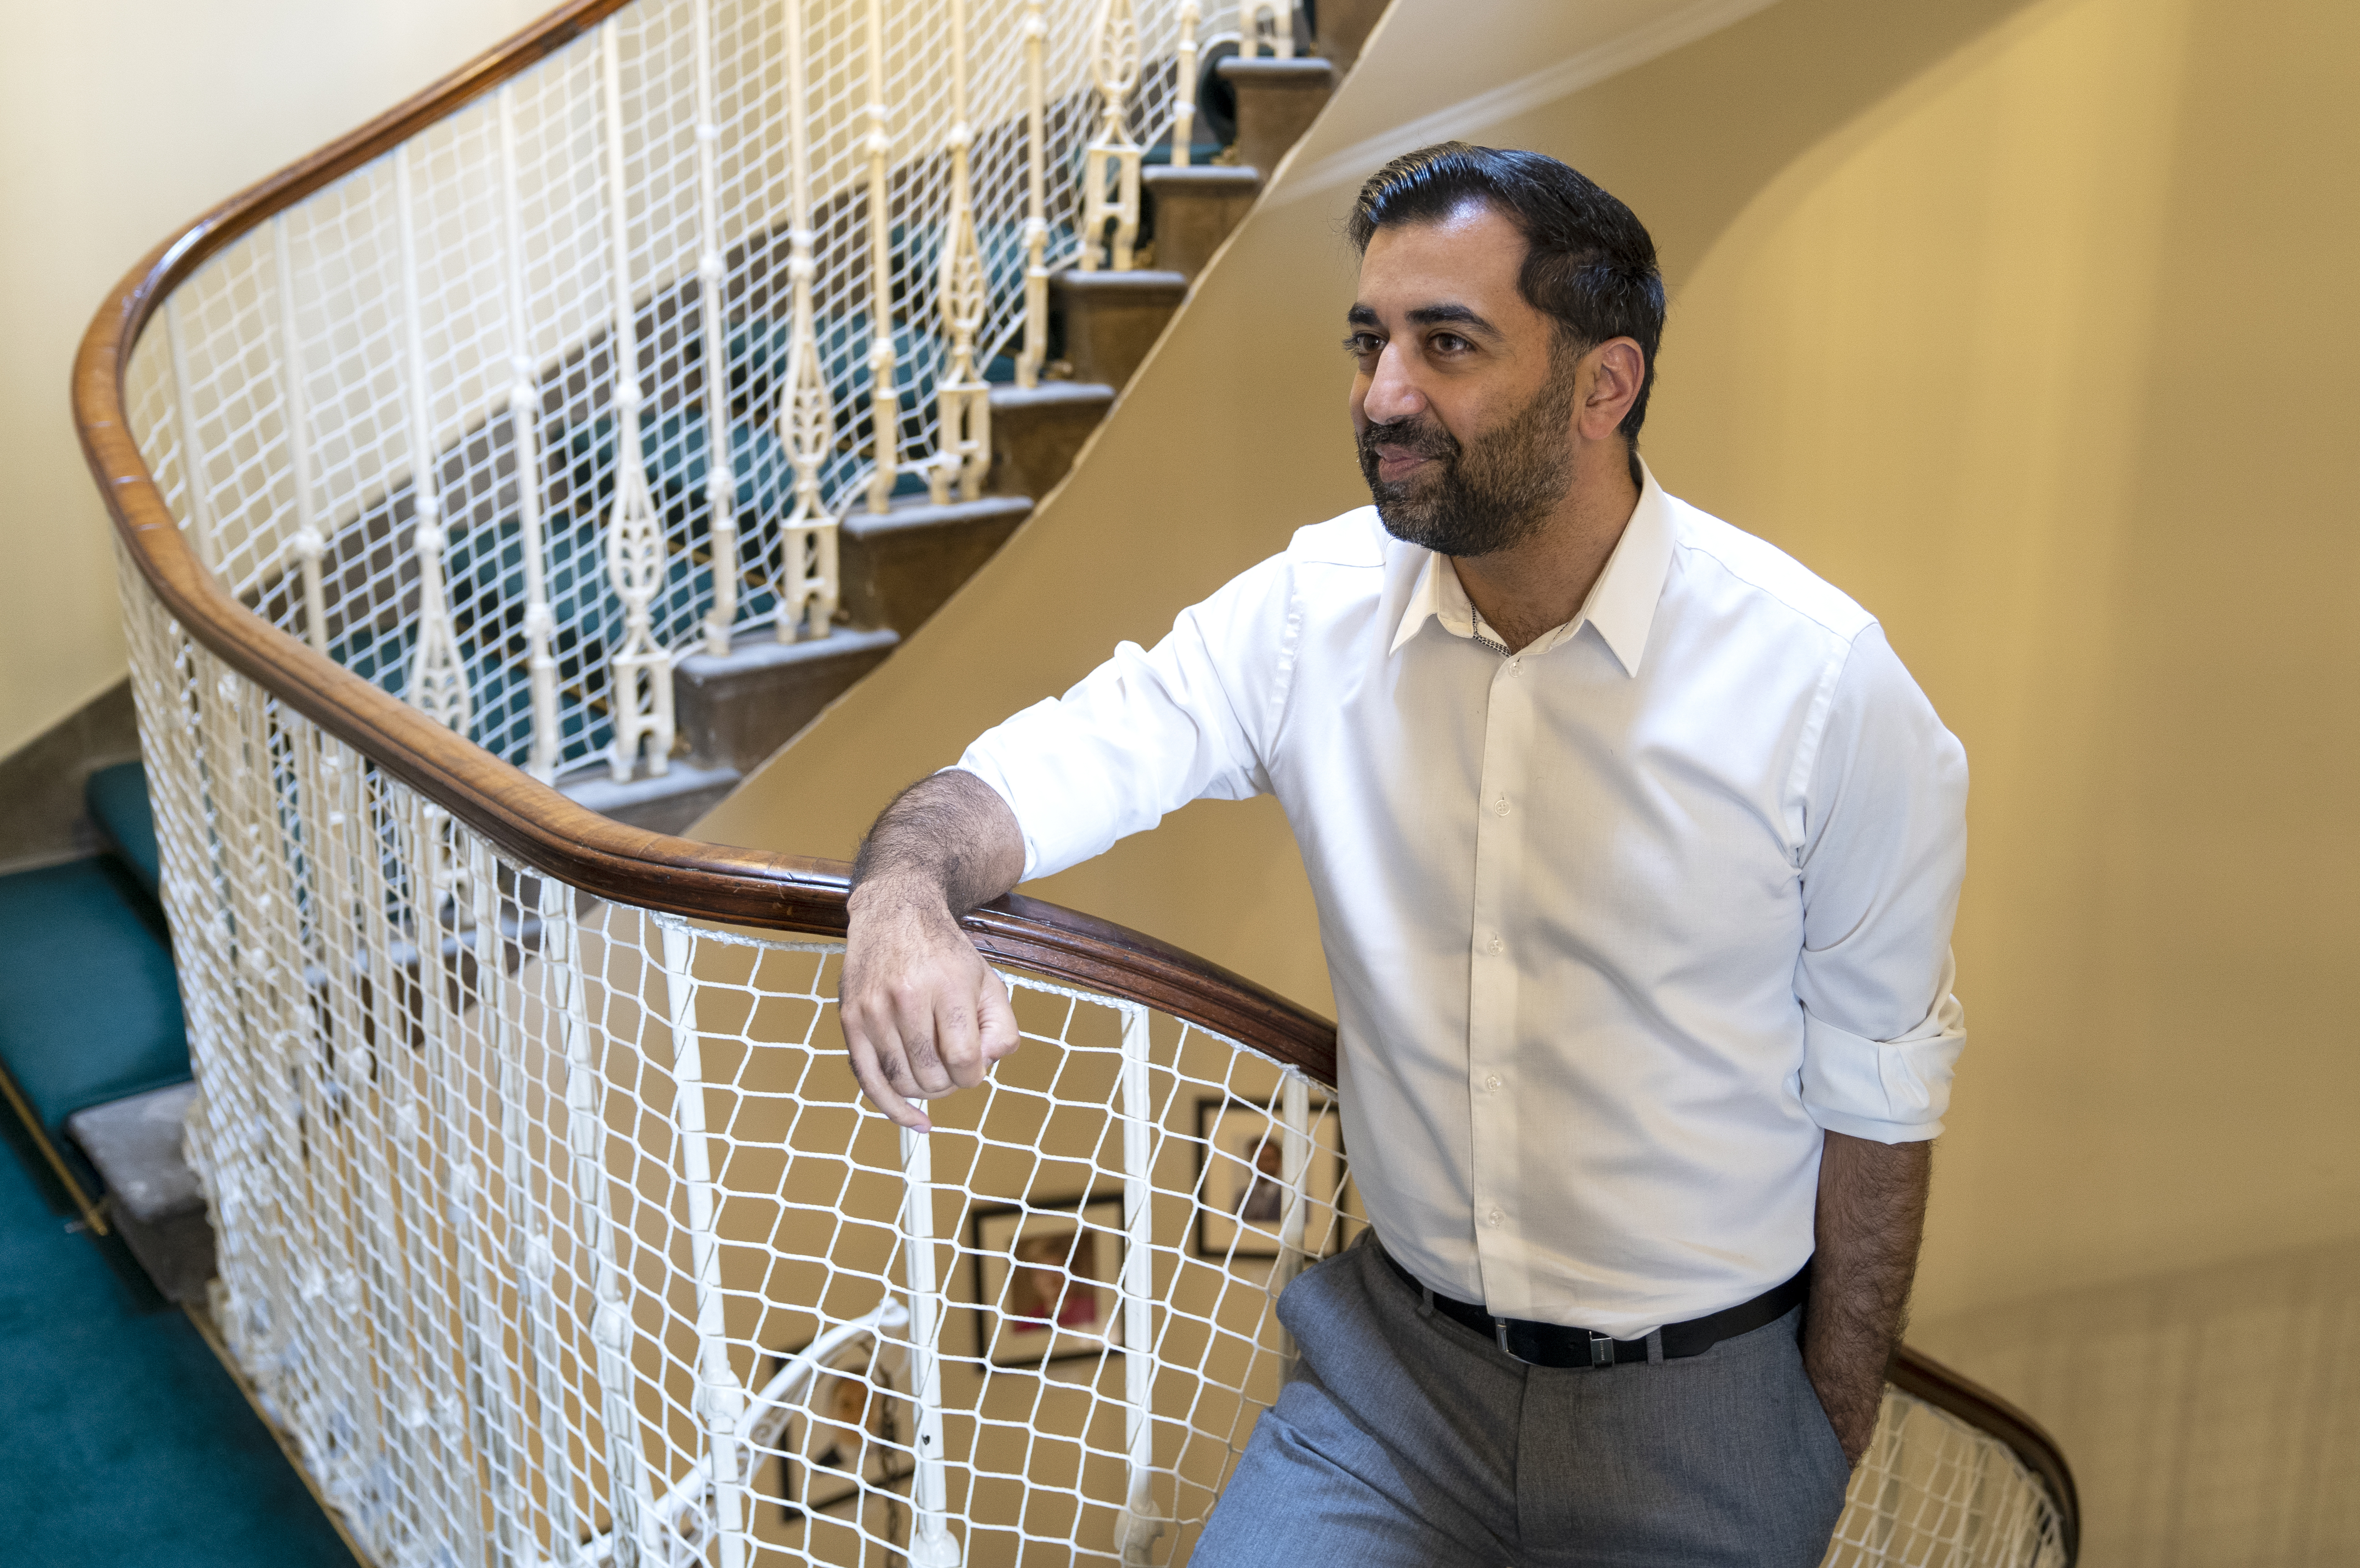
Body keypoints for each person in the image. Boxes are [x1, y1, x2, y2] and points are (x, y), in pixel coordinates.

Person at [836, 142, 1968, 1566]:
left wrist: (1814, 1434)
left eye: (1447, 344)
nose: (1382, 396)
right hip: (1390, 1390)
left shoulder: (1825, 691)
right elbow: (1037, 770)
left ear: (1602, 385)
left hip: (1703, 1412)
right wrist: (902, 888)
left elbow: (1881, 1088)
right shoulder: (1307, 613)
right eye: (1370, 341)